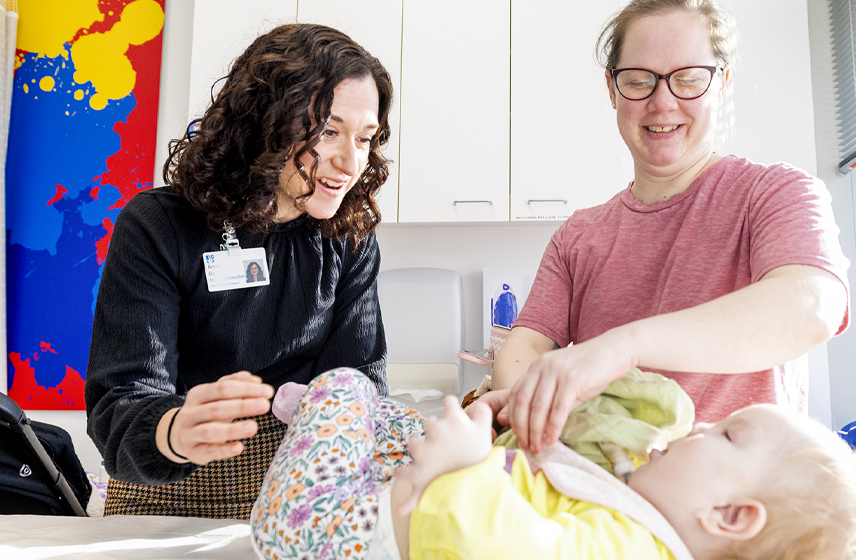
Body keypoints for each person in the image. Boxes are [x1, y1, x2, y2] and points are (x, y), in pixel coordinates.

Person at [489, 0, 851, 455]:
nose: (662, 103)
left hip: (737, 509)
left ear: (721, 82)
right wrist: (538, 409)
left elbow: (810, 307)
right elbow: (523, 348)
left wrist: (624, 348)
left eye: (688, 79)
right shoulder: (578, 236)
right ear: (612, 89)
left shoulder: (775, 193)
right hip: (609, 503)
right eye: (639, 81)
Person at [85, 23, 394, 518]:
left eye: (365, 137)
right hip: (165, 493)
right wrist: (175, 431)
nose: (350, 161)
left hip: (301, 492)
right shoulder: (158, 225)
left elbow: (358, 385)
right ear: (264, 123)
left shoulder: (348, 235)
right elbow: (119, 405)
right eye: (328, 131)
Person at [251, 368, 856, 560]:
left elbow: (498, 545)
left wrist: (464, 468)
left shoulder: (633, 552)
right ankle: (323, 417)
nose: (700, 425)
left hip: (321, 530)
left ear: (728, 514)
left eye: (725, 436)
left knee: (345, 383)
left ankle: (319, 409)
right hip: (369, 508)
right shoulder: (640, 524)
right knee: (399, 423)